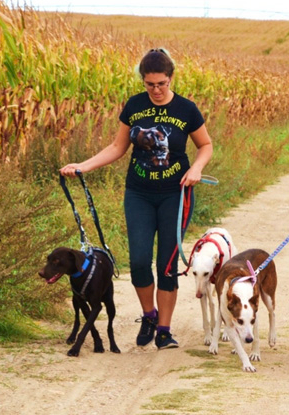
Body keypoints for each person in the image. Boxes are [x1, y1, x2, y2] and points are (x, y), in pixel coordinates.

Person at [60, 48, 213, 350]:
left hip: (175, 194)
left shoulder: (187, 109)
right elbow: (117, 148)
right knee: (140, 261)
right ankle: (149, 316)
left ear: (171, 79)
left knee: (166, 264)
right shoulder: (134, 106)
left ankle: (165, 331)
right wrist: (82, 166)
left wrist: (196, 168)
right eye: (149, 84)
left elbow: (205, 145)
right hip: (139, 194)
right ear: (142, 81)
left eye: (161, 84)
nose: (156, 90)